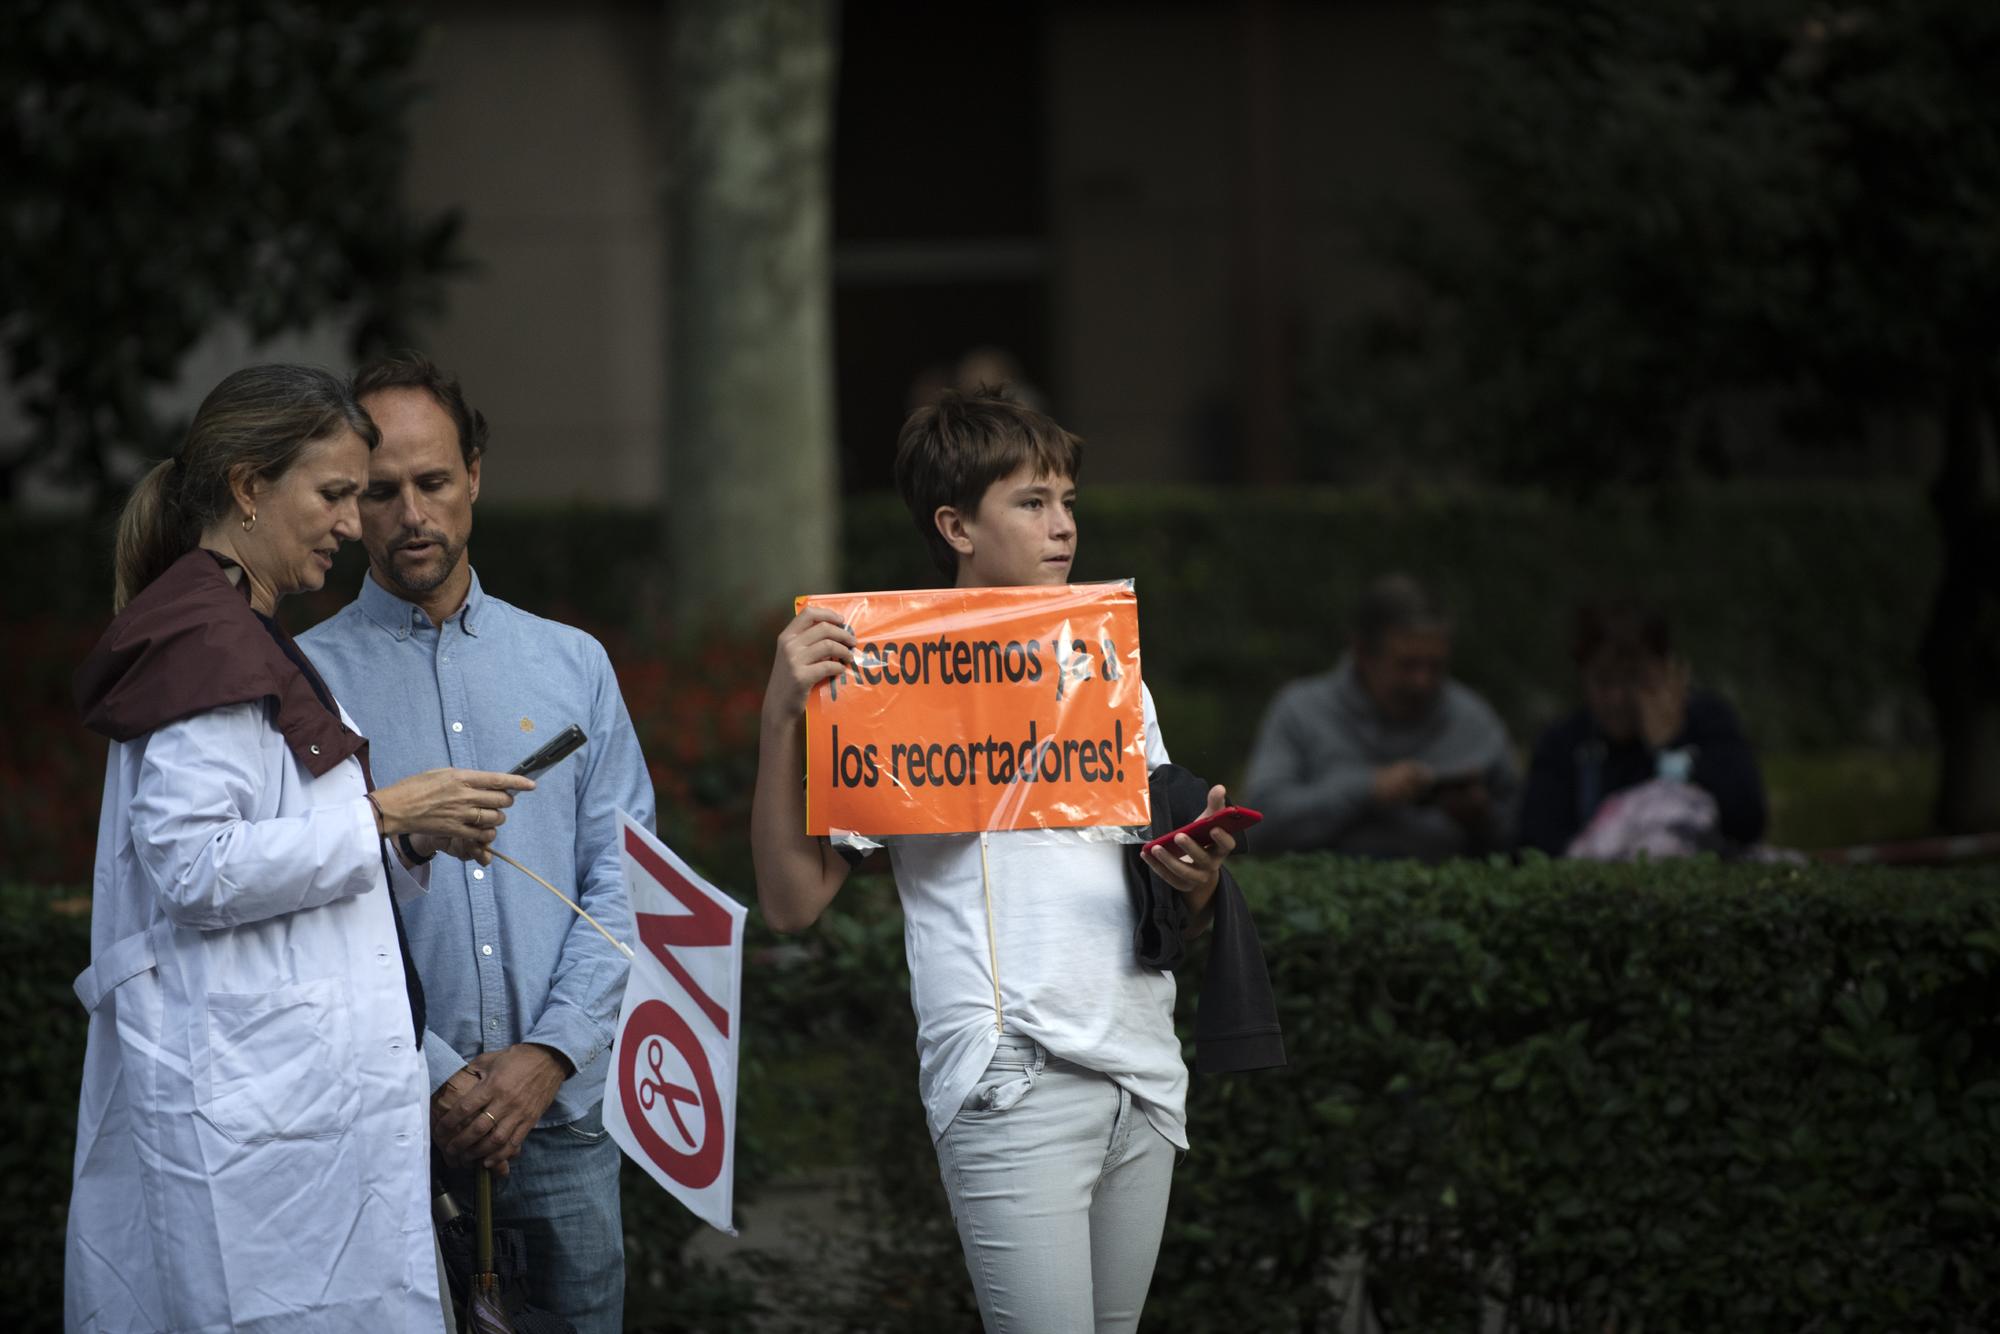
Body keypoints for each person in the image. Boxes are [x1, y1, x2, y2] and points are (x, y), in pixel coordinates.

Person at [751, 389, 1256, 1333]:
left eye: (1067, 500)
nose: (1062, 526)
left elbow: (1159, 896)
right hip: (1010, 1075)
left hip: (1141, 1075)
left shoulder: (1106, 664)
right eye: (1031, 502)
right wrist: (782, 715)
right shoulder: (883, 676)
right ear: (956, 526)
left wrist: (1197, 881)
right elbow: (791, 903)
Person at [67, 364, 533, 1332]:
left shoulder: (236, 631)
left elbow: (291, 850)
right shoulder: (208, 641)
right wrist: (389, 814)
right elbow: (195, 864)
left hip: (289, 1133)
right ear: (247, 488)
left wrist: (407, 836)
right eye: (333, 495)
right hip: (256, 1139)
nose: (353, 525)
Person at [300, 353, 654, 1334]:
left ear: (476, 475)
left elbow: (623, 880)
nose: (411, 513)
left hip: (563, 1121)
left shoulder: (571, 662)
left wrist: (547, 1054)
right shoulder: (304, 682)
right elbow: (308, 907)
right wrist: (429, 1070)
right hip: (388, 1124)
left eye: (433, 481)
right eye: (379, 490)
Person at [1242, 574, 1519, 860]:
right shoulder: (1301, 710)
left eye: (1435, 666)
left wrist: (1482, 819)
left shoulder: (1473, 719)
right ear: (1363, 653)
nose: (1422, 682)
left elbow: (1525, 837)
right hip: (1322, 895)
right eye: (1407, 665)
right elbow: (1260, 826)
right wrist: (1367, 790)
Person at [1516, 598, 1767, 857]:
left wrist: (1671, 748)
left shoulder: (1707, 723)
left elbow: (1746, 822)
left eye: (1632, 679)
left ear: (1666, 670)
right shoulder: (1564, 743)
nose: (1617, 699)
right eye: (1603, 681)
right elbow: (1535, 847)